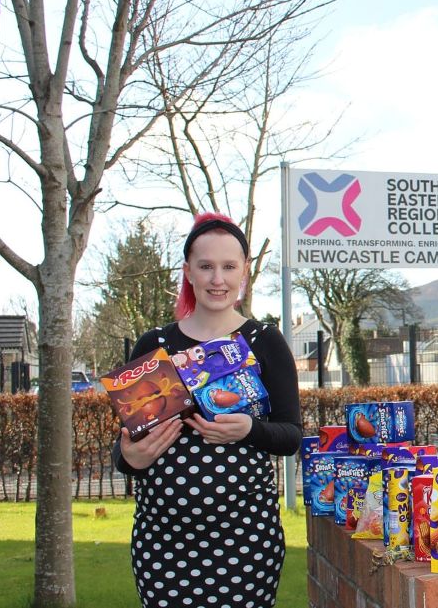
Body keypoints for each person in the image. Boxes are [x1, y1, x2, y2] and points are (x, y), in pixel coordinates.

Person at [112, 213, 302, 608]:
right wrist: (128, 458)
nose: (218, 279)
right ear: (188, 272)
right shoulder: (155, 344)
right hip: (162, 543)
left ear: (244, 271)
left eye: (229, 267)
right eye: (206, 267)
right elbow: (128, 443)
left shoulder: (265, 341)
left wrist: (249, 429)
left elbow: (291, 436)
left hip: (246, 541)